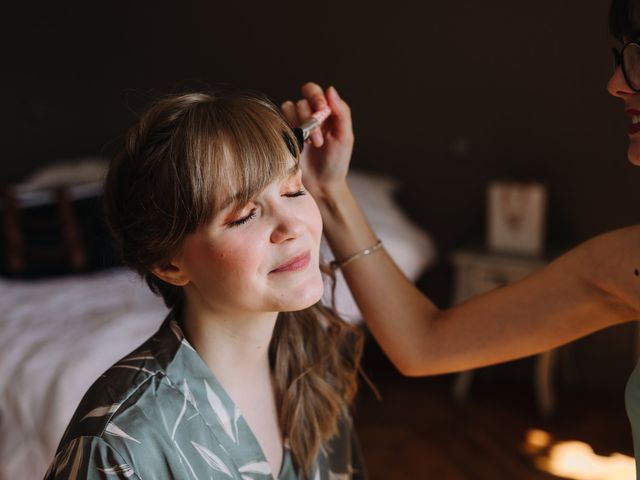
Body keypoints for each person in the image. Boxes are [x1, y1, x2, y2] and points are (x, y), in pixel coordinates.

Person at [281, 0, 640, 474]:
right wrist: (329, 192)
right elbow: (423, 343)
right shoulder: (626, 261)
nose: (615, 84)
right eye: (622, 59)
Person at [44, 92, 365, 479]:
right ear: (169, 264)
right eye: (244, 216)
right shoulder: (117, 445)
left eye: (293, 191)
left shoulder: (311, 369)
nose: (293, 226)